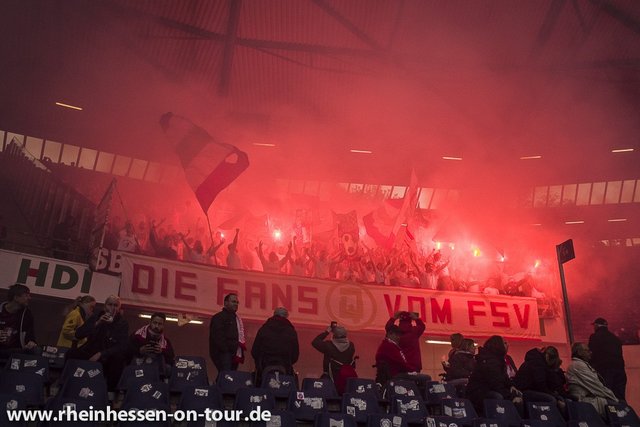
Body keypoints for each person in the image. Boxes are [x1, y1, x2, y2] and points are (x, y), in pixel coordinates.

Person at [69, 295, 129, 391]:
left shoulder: (122, 323)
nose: (112, 308)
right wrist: (97, 323)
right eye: (110, 304)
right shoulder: (97, 316)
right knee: (71, 353)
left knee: (119, 359)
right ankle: (66, 384)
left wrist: (101, 354)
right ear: (105, 306)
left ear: (119, 308)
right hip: (91, 350)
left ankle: (110, 392)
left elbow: (122, 346)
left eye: (115, 305)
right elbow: (79, 334)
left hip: (108, 355)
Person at [466, 335, 523, 415]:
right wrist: (510, 397)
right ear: (498, 345)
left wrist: (511, 386)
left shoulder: (498, 360)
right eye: (504, 343)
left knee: (518, 395)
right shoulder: (490, 362)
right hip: (479, 393)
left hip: (490, 389)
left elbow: (504, 378)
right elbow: (495, 384)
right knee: (499, 397)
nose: (507, 345)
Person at [567, 342, 618, 416]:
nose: (590, 352)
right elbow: (596, 386)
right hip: (585, 401)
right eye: (587, 350)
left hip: (591, 398)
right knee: (620, 407)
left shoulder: (580, 364)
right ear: (579, 352)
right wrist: (614, 398)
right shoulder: (578, 365)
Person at [251, 307, 299, 381]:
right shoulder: (291, 331)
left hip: (265, 367)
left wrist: (260, 363)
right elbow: (295, 354)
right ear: (286, 316)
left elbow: (255, 350)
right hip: (285, 367)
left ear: (274, 315)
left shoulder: (264, 329)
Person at [588, 317, 626, 400]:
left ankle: (611, 412)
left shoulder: (595, 337)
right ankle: (623, 411)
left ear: (597, 325)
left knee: (607, 396)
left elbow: (591, 353)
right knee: (620, 396)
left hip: (604, 370)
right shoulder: (615, 338)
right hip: (620, 369)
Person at [129, 312, 175, 376]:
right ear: (150, 322)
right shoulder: (137, 335)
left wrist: (162, 352)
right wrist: (139, 351)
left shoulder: (166, 342)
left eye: (160, 324)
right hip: (138, 369)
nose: (156, 326)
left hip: (156, 373)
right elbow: (126, 350)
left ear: (163, 325)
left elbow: (171, 360)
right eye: (155, 323)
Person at [209, 293, 245, 372]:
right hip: (223, 353)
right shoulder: (218, 317)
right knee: (226, 375)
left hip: (234, 354)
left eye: (237, 302)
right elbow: (218, 336)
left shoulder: (237, 319)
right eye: (233, 301)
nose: (236, 304)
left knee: (229, 377)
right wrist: (226, 350)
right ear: (225, 303)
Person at [0, 284, 37, 359]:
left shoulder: (27, 314)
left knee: (36, 351)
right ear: (16, 297)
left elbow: (30, 336)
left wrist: (31, 342)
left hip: (15, 351)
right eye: (26, 295)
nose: (29, 298)